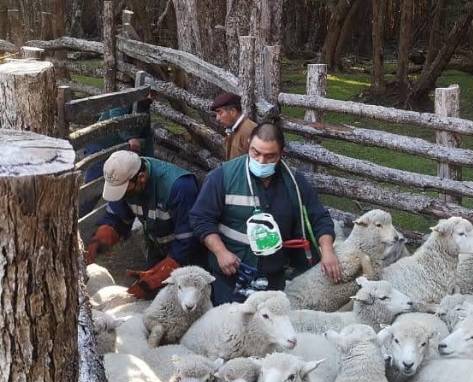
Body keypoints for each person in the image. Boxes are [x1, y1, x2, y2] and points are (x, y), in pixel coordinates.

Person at [190, 122, 341, 305]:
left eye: (270, 156)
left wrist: (327, 251)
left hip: (274, 277)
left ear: (281, 153)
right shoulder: (222, 177)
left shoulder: (294, 182)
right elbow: (201, 218)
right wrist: (220, 252)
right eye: (256, 152)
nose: (261, 161)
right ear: (248, 145)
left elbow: (319, 218)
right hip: (231, 275)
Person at [86, 151, 202, 298]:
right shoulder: (127, 182)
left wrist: (158, 276)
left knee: (184, 303)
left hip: (189, 258)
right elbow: (117, 216)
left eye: (124, 192)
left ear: (141, 178)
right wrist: (101, 238)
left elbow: (188, 242)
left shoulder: (180, 188)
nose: (122, 197)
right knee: (149, 299)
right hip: (157, 247)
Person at [212, 92, 257, 160]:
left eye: (220, 113)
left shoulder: (249, 132)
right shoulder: (233, 130)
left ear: (233, 111)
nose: (217, 118)